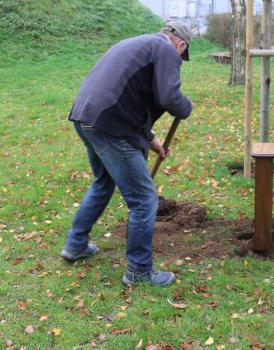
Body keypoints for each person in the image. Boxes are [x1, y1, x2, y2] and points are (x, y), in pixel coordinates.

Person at [60, 21, 194, 287]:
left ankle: (76, 245)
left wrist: (152, 139)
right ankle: (139, 270)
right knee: (144, 199)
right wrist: (186, 107)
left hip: (86, 117)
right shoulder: (165, 50)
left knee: (103, 183)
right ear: (181, 44)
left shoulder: (133, 43)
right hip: (111, 125)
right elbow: (168, 97)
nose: (179, 58)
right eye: (182, 54)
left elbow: (127, 94)